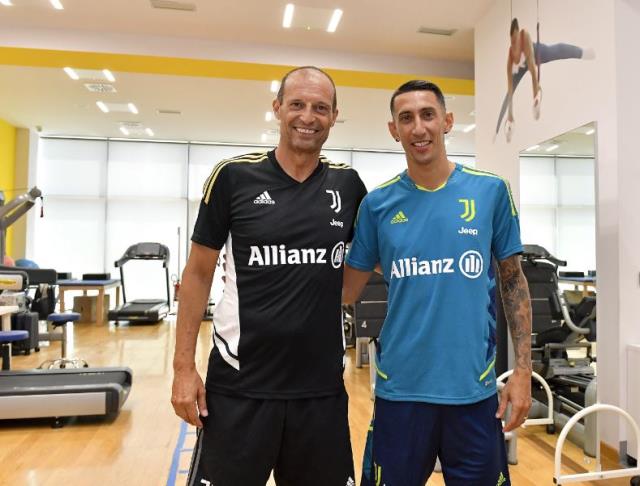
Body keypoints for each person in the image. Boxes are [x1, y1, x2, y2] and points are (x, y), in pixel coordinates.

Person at [172, 66, 367, 486]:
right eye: (297, 104)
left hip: (320, 391)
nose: (307, 117)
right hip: (239, 387)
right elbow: (198, 273)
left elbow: (372, 262)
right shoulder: (232, 177)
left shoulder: (348, 185)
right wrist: (183, 368)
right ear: (277, 108)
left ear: (334, 117)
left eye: (320, 108)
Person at [343, 80, 533, 486]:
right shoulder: (377, 205)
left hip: (473, 391)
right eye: (406, 118)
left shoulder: (490, 191)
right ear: (393, 129)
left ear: (447, 121)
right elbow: (346, 289)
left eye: (428, 115)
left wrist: (522, 372)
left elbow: (514, 283)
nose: (418, 128)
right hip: (400, 391)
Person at [495, 17, 595, 141]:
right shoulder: (511, 54)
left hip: (537, 53)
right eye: (512, 41)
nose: (514, 44)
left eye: (515, 40)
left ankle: (583, 53)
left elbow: (533, 70)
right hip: (522, 66)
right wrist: (510, 114)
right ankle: (500, 127)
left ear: (518, 34)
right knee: (508, 94)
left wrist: (535, 97)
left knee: (559, 50)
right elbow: (510, 87)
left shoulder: (524, 36)